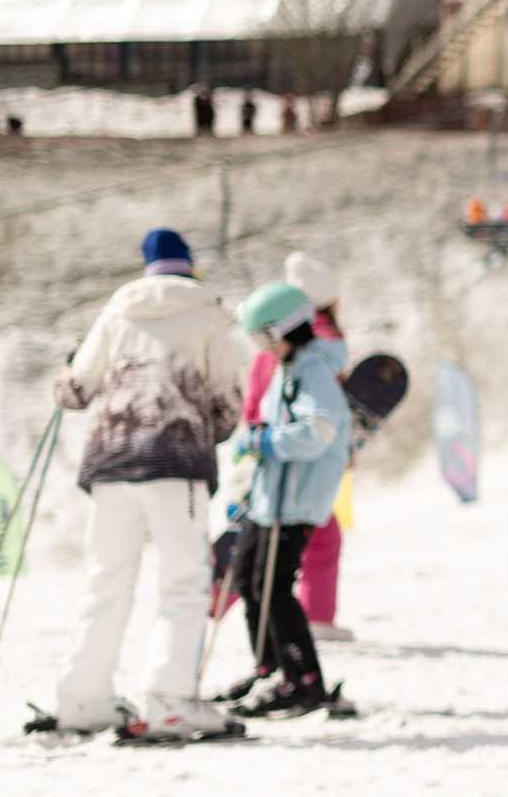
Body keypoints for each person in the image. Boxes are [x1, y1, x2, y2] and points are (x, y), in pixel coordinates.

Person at [32, 228, 249, 741]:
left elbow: (74, 391)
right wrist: (206, 432)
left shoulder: (116, 309)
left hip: (111, 462)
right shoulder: (209, 311)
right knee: (182, 580)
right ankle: (169, 698)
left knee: (106, 578)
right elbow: (227, 404)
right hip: (177, 462)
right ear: (188, 265)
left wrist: (70, 372)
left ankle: (83, 698)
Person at [222, 281, 346, 717]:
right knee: (248, 584)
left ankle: (304, 680)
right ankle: (271, 668)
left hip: (294, 503)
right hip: (269, 500)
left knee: (273, 590)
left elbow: (318, 432)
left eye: (262, 338)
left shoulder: (313, 371)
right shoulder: (289, 370)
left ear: (282, 332)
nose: (261, 349)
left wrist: (267, 442)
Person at [283, 252, 353, 641]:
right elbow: (328, 403)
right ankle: (317, 619)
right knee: (318, 533)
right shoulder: (322, 337)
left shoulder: (279, 334)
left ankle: (212, 598)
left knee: (275, 532)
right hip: (308, 447)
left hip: (280, 442)